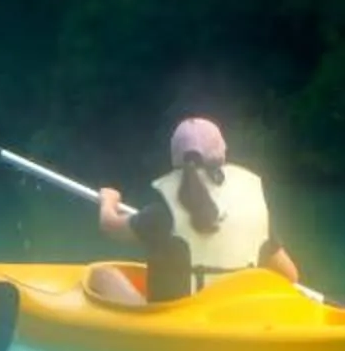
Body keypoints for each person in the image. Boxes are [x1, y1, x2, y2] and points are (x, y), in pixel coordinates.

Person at [87, 116, 299, 307]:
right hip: (236, 317)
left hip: (174, 325)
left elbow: (109, 224)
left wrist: (109, 200)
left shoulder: (161, 214)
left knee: (101, 274)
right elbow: (289, 276)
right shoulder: (252, 211)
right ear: (222, 154)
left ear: (175, 158)